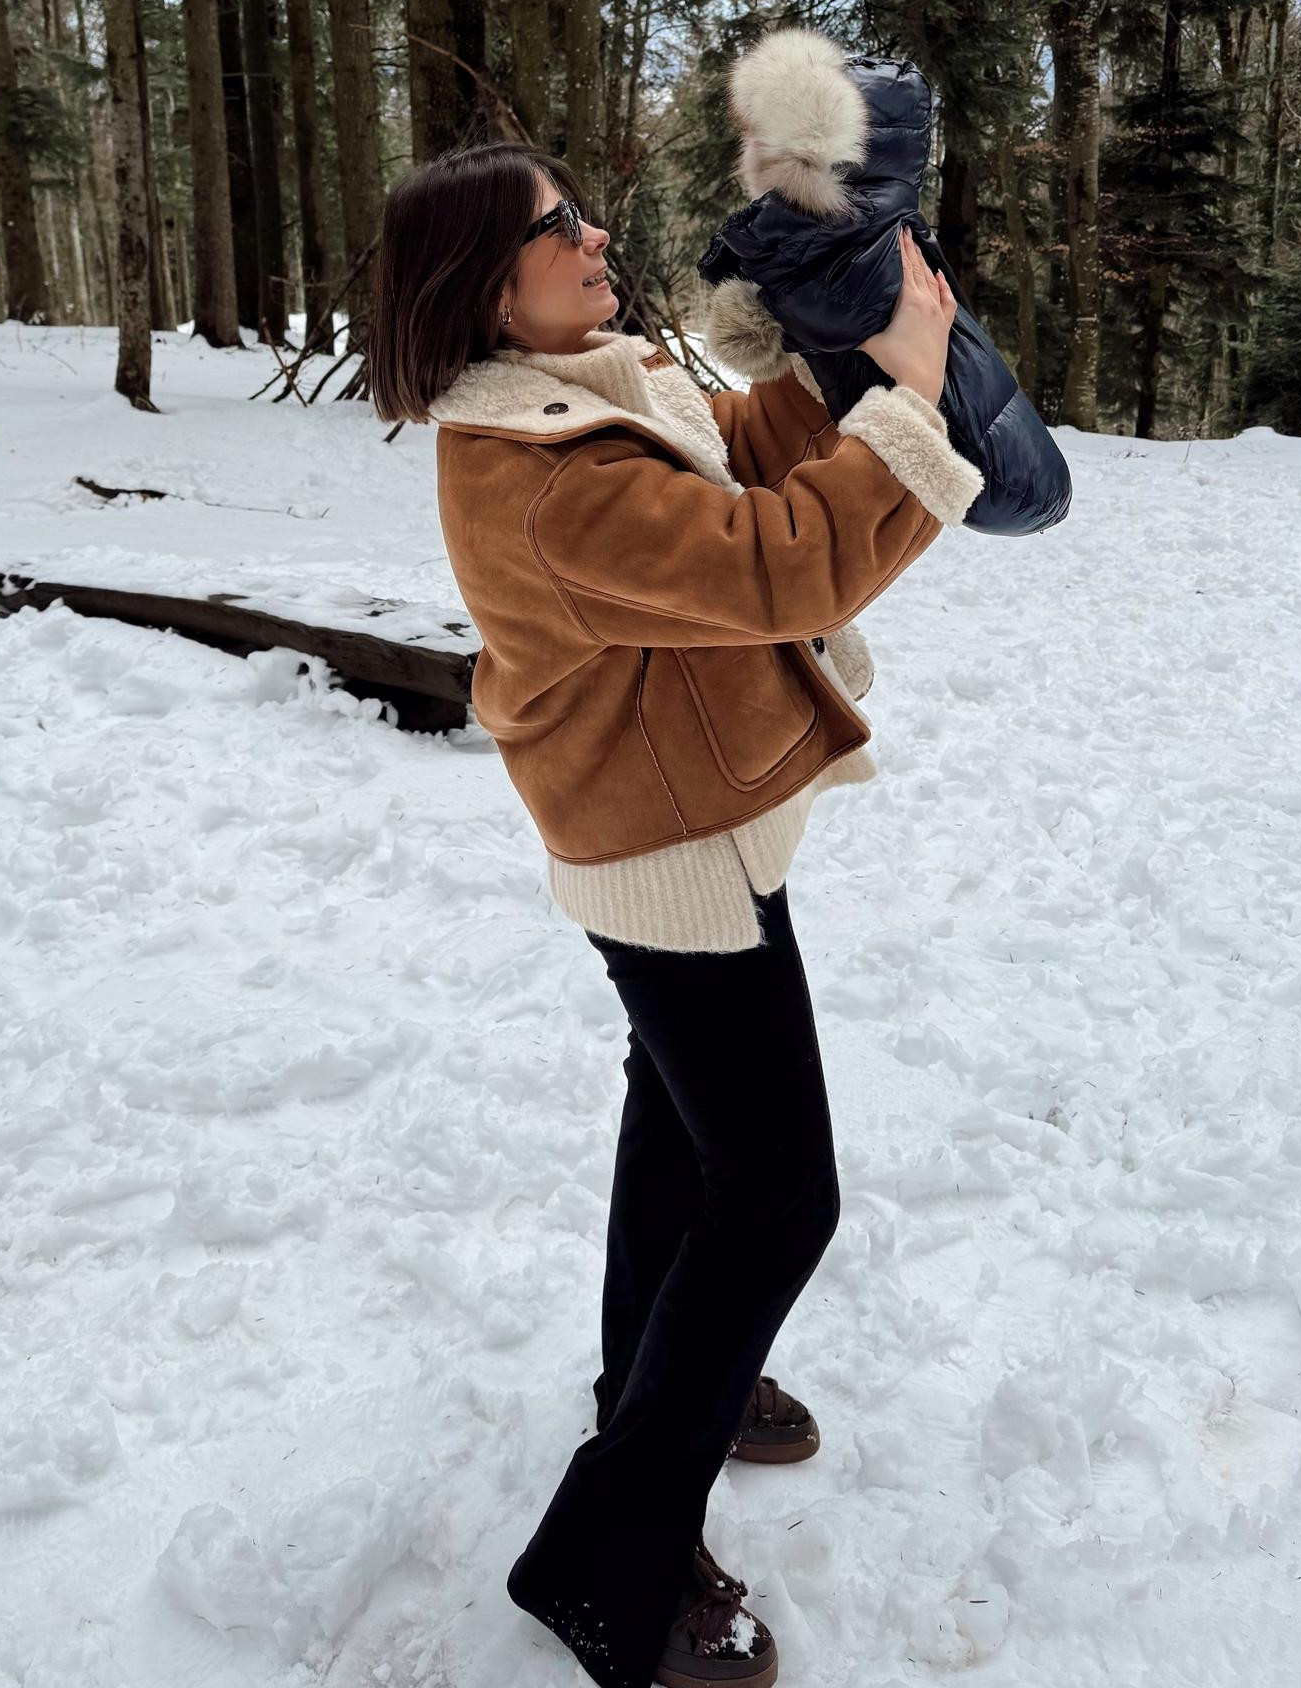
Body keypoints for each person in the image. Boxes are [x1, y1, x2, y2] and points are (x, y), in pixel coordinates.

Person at [367, 140, 984, 1688]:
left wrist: (841, 354)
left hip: (689, 823)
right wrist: (911, 400)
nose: (594, 239)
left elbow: (741, 453)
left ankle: (652, 1384)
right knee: (777, 1198)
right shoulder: (539, 478)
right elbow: (781, 562)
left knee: (686, 1126)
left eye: (580, 213)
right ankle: (607, 1559)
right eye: (555, 229)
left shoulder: (594, 385)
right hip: (668, 851)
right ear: (484, 290)